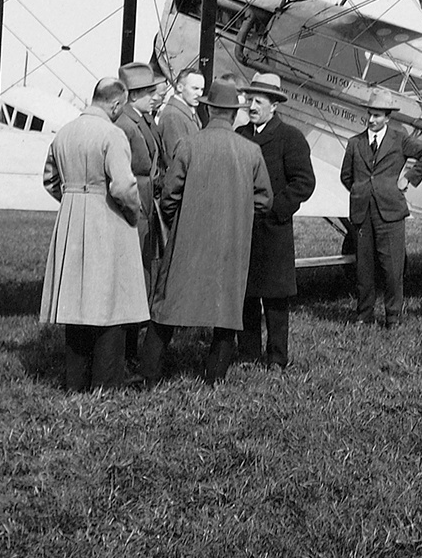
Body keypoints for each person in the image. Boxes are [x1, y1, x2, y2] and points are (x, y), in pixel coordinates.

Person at [143, 81, 272, 385]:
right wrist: (239, 216)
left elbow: (169, 197)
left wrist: (182, 221)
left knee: (167, 305)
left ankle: (149, 374)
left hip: (188, 240)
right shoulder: (250, 151)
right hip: (231, 242)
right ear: (232, 114)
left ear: (209, 108)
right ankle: (214, 377)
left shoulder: (189, 145)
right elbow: (264, 200)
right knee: (226, 307)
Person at [39, 77, 149, 392]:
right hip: (107, 219)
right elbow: (123, 186)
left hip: (72, 219)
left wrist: (73, 201)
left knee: (76, 301)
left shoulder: (64, 133)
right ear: (116, 104)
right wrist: (131, 213)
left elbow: (50, 179)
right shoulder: (112, 134)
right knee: (111, 301)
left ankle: (76, 380)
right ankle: (107, 382)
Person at [339, 86, 422, 329]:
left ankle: (393, 316)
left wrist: (409, 177)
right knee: (364, 268)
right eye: (370, 114)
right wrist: (361, 191)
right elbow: (346, 176)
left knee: (392, 267)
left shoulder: (399, 140)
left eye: (377, 115)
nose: (372, 120)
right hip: (363, 213)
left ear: (388, 117)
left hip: (391, 212)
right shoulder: (355, 143)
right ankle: (364, 314)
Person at [235, 72, 315, 369]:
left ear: (274, 105)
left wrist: (273, 208)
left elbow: (304, 183)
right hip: (243, 231)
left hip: (274, 232)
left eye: (258, 101)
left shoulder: (290, 138)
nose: (251, 105)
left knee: (275, 299)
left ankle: (277, 357)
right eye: (249, 99)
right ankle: (247, 354)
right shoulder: (240, 135)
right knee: (246, 296)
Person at [114, 61, 164, 368]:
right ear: (133, 95)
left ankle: (131, 349)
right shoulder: (125, 125)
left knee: (142, 277)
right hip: (136, 211)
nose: (154, 96)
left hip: (146, 209)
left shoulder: (141, 120)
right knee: (133, 281)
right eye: (147, 92)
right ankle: (126, 352)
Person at [156, 67, 205, 180]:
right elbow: (177, 159)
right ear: (179, 87)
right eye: (195, 88)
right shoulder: (173, 116)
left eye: (201, 90)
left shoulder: (187, 112)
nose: (199, 94)